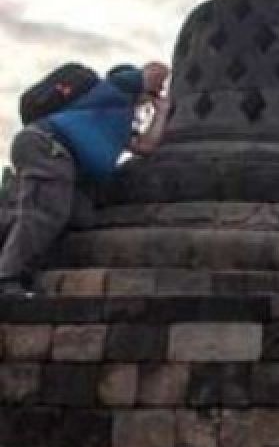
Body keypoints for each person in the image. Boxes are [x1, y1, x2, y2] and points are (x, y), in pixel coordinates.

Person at [0, 62, 171, 295]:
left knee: (79, 217)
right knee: (43, 214)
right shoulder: (115, 88)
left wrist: (161, 111)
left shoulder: (117, 122)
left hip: (62, 161)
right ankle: (7, 277)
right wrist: (156, 87)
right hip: (49, 147)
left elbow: (146, 146)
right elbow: (156, 70)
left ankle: (24, 265)